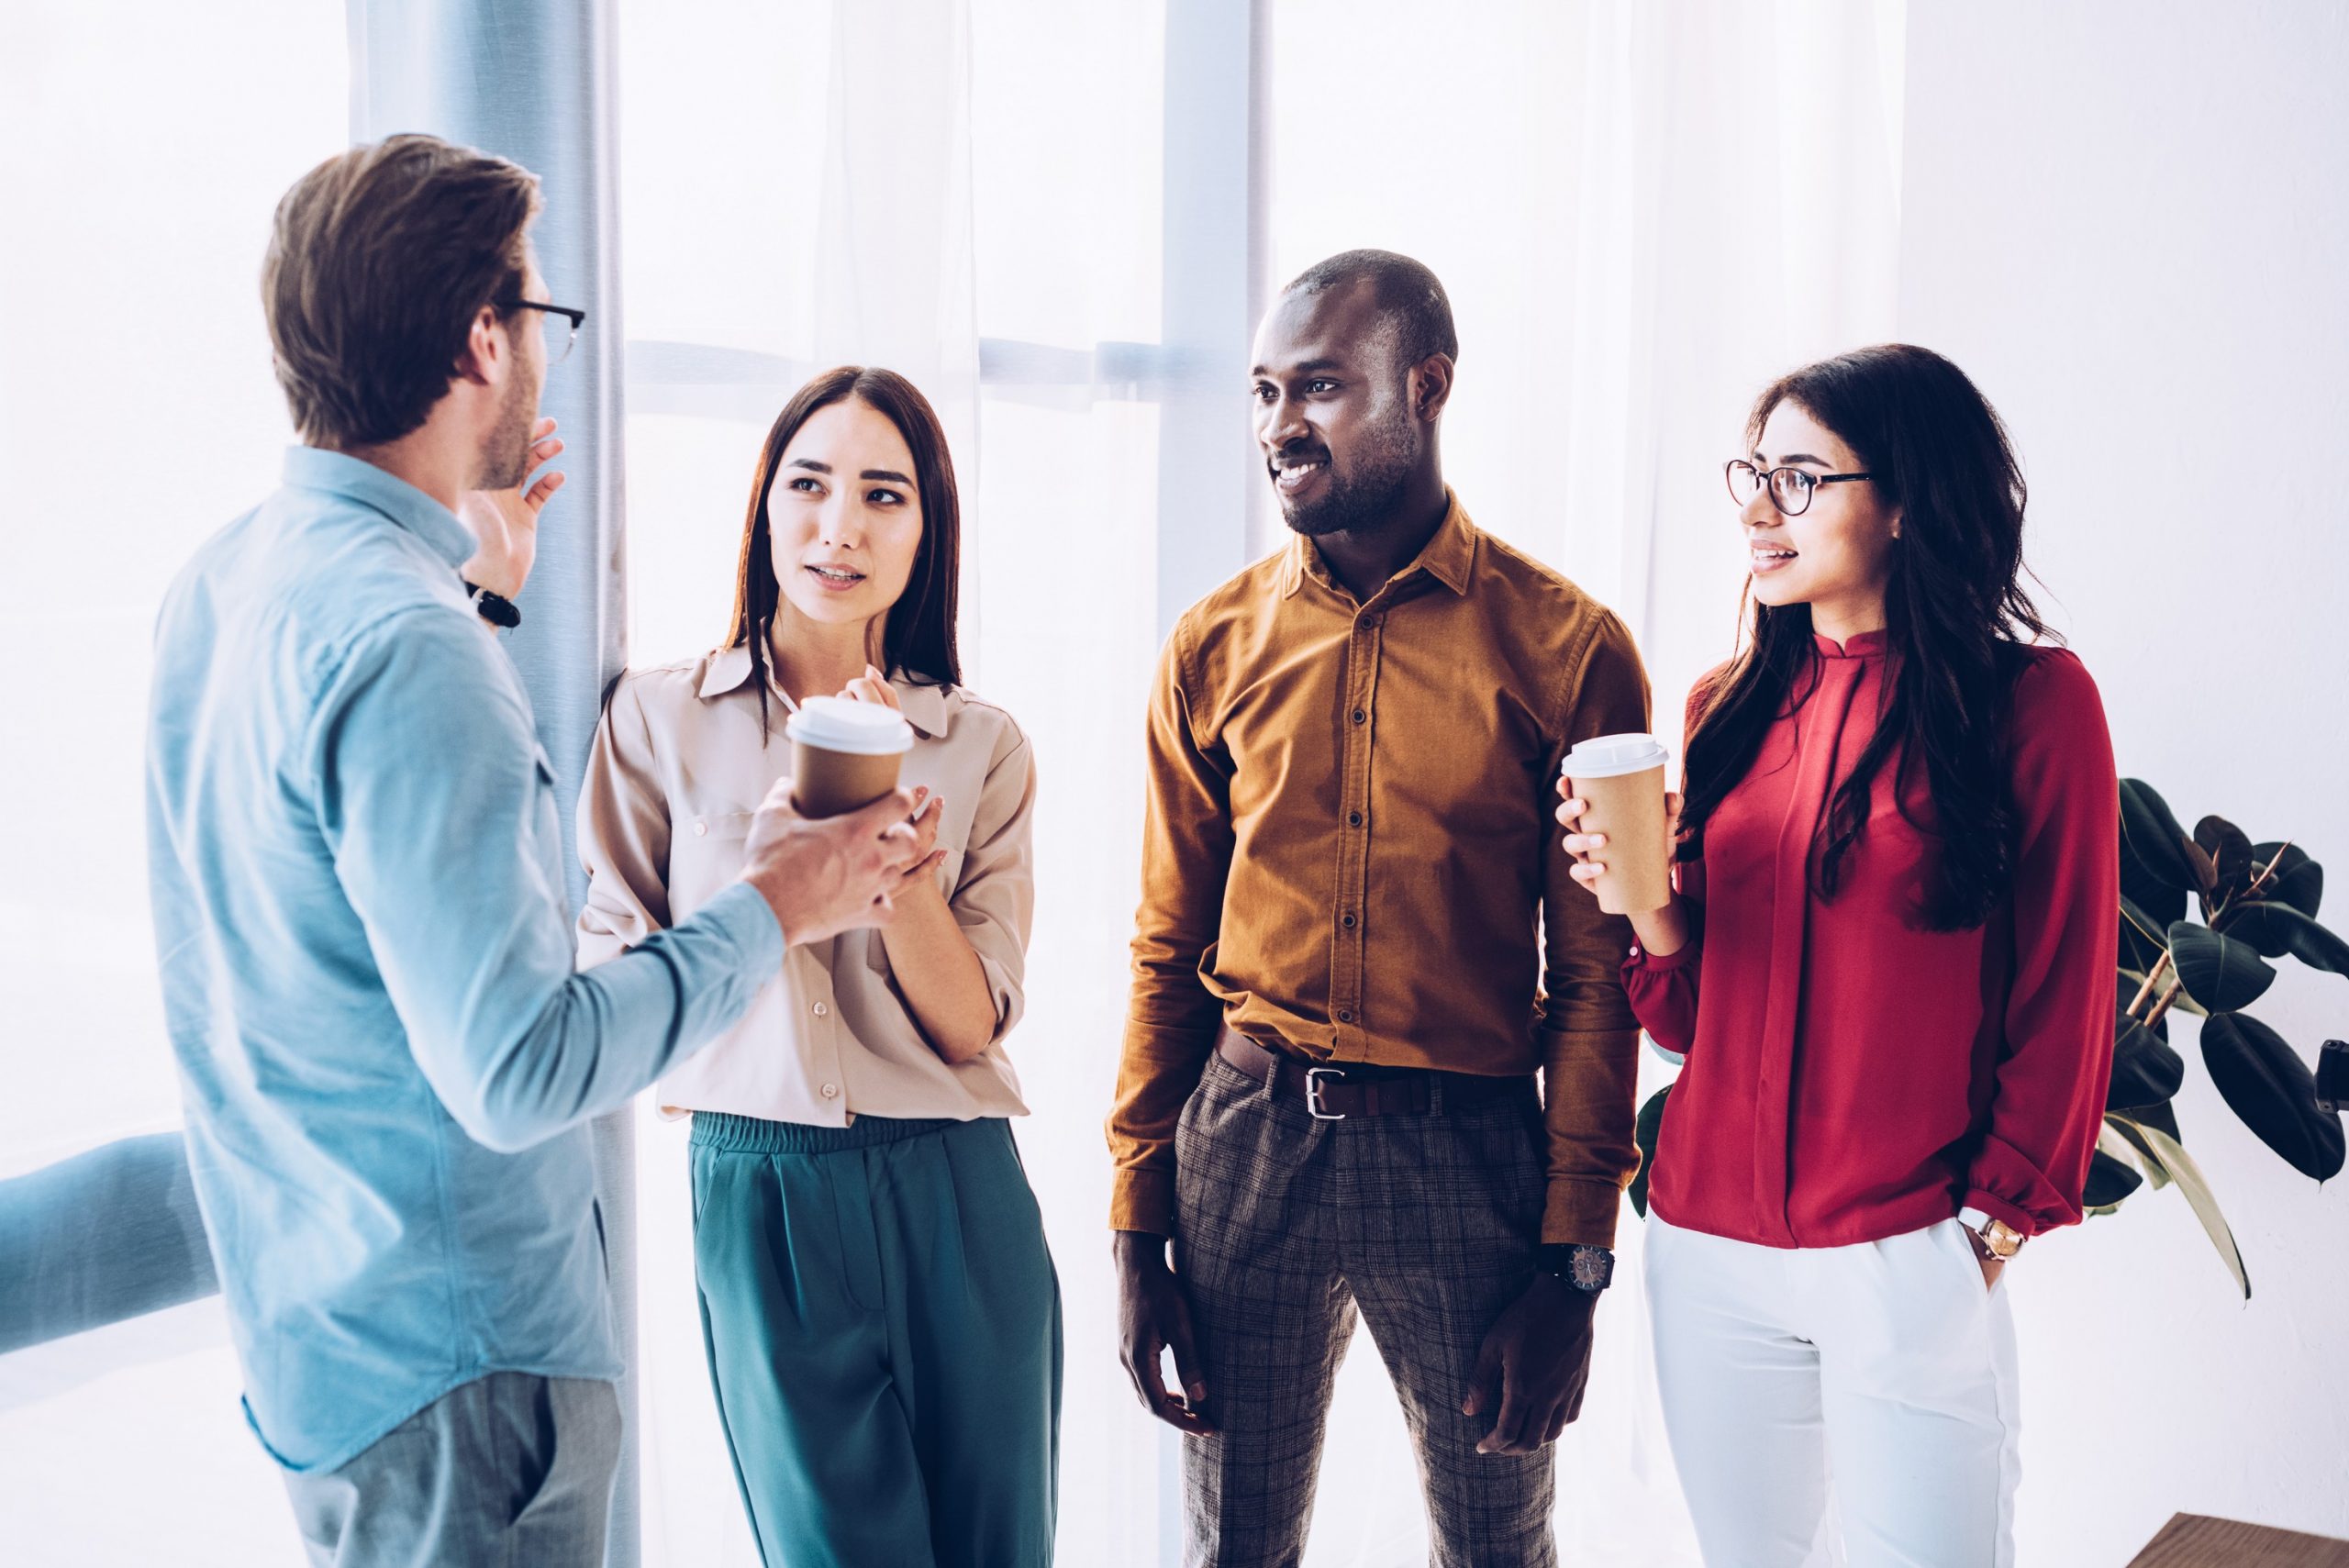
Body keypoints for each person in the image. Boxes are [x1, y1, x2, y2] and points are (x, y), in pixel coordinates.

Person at [144, 135, 925, 1566]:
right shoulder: (406, 647)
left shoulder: (227, 581)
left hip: (328, 1344)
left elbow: (320, 957)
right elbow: (519, 1070)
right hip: (465, 1384)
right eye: (546, 322)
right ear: (480, 343)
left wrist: (476, 603)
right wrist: (779, 901)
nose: (552, 360)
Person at [1108, 250, 1652, 1568]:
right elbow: (1168, 945)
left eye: (1323, 387)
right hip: (1241, 1143)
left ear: (1429, 385)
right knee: (1230, 1550)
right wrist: (1136, 1218)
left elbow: (1595, 979)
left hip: (1465, 1159)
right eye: (1263, 392)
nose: (1280, 424)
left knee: (1496, 1551)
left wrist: (1574, 1263)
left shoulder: (1569, 650)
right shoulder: (1212, 646)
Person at [1556, 345, 2118, 1566]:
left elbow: (2067, 995)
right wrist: (1641, 902)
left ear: (1907, 499)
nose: (1760, 509)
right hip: (1707, 1253)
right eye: (1753, 475)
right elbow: (1690, 1018)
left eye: (1801, 478)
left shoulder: (2036, 705)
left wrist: (1983, 1236)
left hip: (1906, 1249)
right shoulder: (1724, 704)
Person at [575, 366, 1060, 1567]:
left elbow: (969, 1026)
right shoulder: (655, 718)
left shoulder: (981, 743)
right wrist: (777, 889)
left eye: (884, 495)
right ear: (766, 504)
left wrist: (897, 884)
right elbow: (615, 993)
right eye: (811, 483)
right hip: (763, 1187)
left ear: (924, 531)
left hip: (958, 1184)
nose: (840, 525)